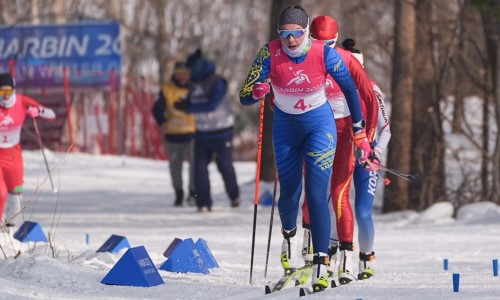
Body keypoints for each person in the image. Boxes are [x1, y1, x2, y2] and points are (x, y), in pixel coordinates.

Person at [239, 6, 372, 292]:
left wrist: (359, 131)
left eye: (296, 33)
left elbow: (350, 89)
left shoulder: (323, 52)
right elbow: (244, 96)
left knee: (315, 193)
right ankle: (289, 237)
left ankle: (321, 261)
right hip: (286, 129)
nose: (291, 40)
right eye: (285, 34)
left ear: (306, 31)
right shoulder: (269, 53)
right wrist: (256, 92)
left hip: (319, 126)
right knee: (289, 194)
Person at [300, 15, 380, 285]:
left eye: (329, 44)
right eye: (317, 43)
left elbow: (370, 98)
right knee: (312, 191)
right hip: (315, 128)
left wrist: (366, 137)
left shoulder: (346, 59)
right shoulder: (299, 56)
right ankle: (310, 252)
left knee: (339, 193)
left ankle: (346, 257)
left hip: (345, 130)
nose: (323, 50)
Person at [343, 38, 391, 280]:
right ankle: (336, 255)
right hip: (341, 154)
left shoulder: (372, 88)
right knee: (337, 207)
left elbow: (386, 129)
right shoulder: (333, 86)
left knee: (362, 211)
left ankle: (366, 258)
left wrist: (375, 153)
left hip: (366, 157)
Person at [174, 49, 240, 212]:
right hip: (202, 132)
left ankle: (234, 196)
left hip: (221, 131)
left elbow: (211, 105)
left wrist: (189, 107)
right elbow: (192, 101)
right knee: (199, 169)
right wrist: (184, 104)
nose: (186, 73)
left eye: (188, 70)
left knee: (224, 166)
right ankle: (203, 203)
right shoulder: (194, 84)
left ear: (196, 68)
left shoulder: (217, 82)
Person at [0, 73, 55, 229]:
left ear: (13, 90)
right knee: (0, 193)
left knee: (16, 197)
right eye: (1, 92)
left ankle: (9, 230)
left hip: (13, 155)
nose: (5, 96)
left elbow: (51, 114)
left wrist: (37, 111)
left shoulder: (21, 101)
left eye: (8, 92)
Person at [152, 61, 196, 207]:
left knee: (195, 166)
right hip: (173, 134)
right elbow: (157, 108)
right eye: (178, 74)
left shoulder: (195, 87)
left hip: (193, 133)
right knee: (175, 167)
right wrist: (162, 121)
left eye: (184, 74)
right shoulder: (167, 88)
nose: (181, 77)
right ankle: (179, 194)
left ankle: (193, 194)